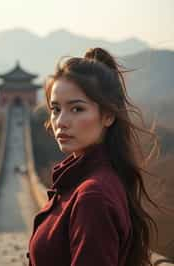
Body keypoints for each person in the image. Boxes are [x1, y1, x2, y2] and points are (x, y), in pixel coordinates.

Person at [27, 47, 159, 266]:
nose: (61, 122)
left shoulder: (92, 196)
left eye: (77, 109)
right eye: (56, 109)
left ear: (107, 115)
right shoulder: (87, 181)